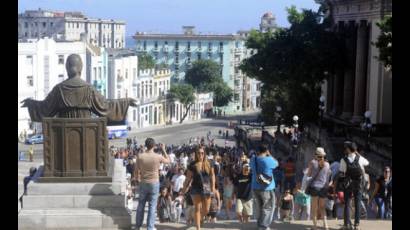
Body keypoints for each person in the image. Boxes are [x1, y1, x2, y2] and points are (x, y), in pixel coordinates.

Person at [134, 138, 170, 230]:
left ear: (146, 145)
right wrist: (164, 149)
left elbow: (136, 171)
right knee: (152, 206)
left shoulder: (140, 156)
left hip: (143, 182)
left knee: (141, 204)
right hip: (154, 182)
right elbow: (168, 161)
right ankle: (150, 227)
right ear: (154, 146)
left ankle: (138, 226)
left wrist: (137, 180)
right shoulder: (157, 156)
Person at [181, 146, 216, 230]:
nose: (200, 155)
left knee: (206, 210)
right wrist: (184, 189)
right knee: (197, 208)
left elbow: (212, 176)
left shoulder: (209, 163)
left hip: (207, 188)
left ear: (204, 154)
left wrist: (213, 187)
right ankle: (198, 228)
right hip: (195, 188)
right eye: (199, 153)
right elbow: (188, 178)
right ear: (196, 154)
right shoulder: (192, 165)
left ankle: (200, 219)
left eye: (202, 153)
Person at [338, 141, 369, 230]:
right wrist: (357, 154)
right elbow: (367, 163)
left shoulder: (343, 160)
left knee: (347, 203)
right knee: (357, 203)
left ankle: (346, 225)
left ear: (348, 149)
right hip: (359, 184)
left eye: (345, 148)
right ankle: (356, 225)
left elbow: (342, 171)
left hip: (348, 183)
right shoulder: (360, 158)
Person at [250, 144, 279, 230]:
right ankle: (263, 226)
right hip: (267, 187)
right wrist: (269, 154)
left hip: (255, 186)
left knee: (260, 207)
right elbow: (277, 163)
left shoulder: (253, 159)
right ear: (266, 150)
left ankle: (260, 225)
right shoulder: (269, 160)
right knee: (267, 207)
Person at [306, 147, 331, 230]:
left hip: (315, 188)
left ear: (316, 155)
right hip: (323, 188)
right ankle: (326, 225)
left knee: (314, 208)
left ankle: (315, 226)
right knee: (322, 207)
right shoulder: (327, 164)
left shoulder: (312, 163)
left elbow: (308, 175)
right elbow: (328, 177)